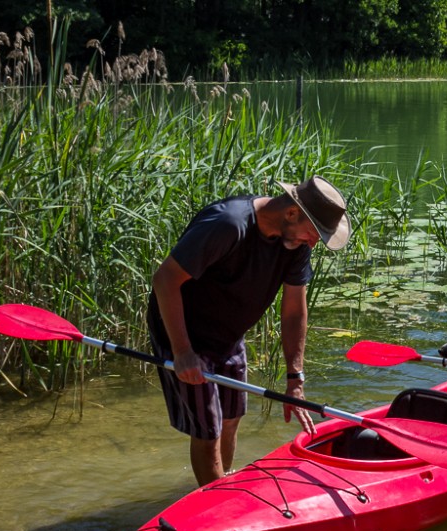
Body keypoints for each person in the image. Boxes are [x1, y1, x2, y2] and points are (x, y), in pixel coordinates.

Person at [147, 175, 351, 486]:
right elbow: (165, 279)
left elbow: (294, 310)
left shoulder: (295, 244)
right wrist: (182, 351)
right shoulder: (228, 225)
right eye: (313, 233)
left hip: (229, 335)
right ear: (292, 213)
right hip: (186, 333)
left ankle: (221, 487)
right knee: (209, 430)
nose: (313, 242)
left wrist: (295, 379)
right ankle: (216, 506)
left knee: (231, 419)